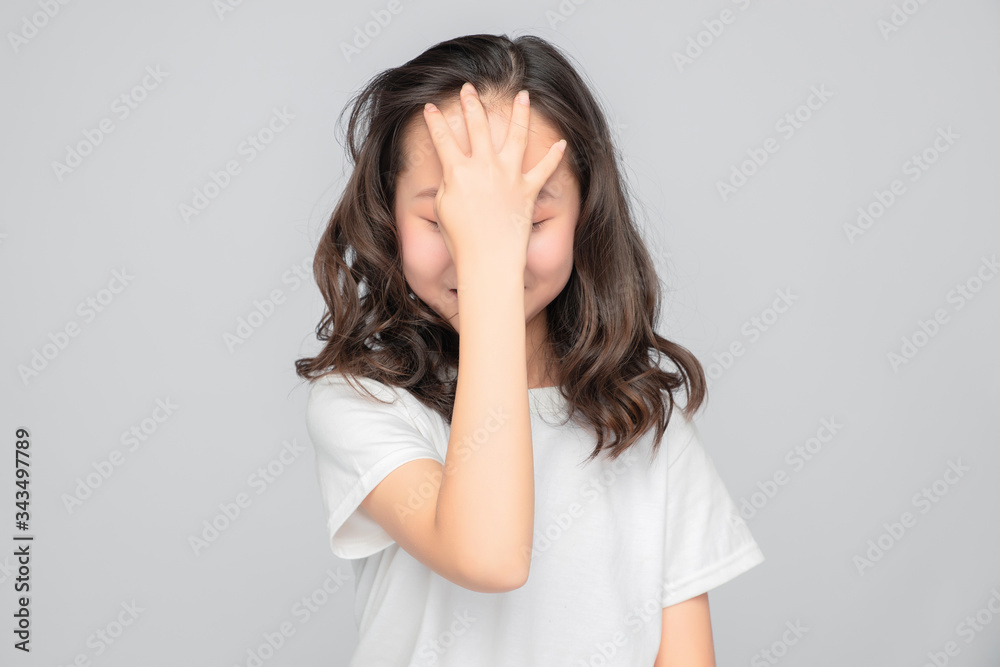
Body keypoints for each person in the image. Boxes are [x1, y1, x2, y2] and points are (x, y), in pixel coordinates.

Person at [295, 32, 765, 667]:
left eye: (525, 219)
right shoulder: (365, 403)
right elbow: (487, 555)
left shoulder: (644, 426)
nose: (482, 244)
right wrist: (491, 265)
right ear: (388, 218)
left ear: (584, 217)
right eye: (445, 219)